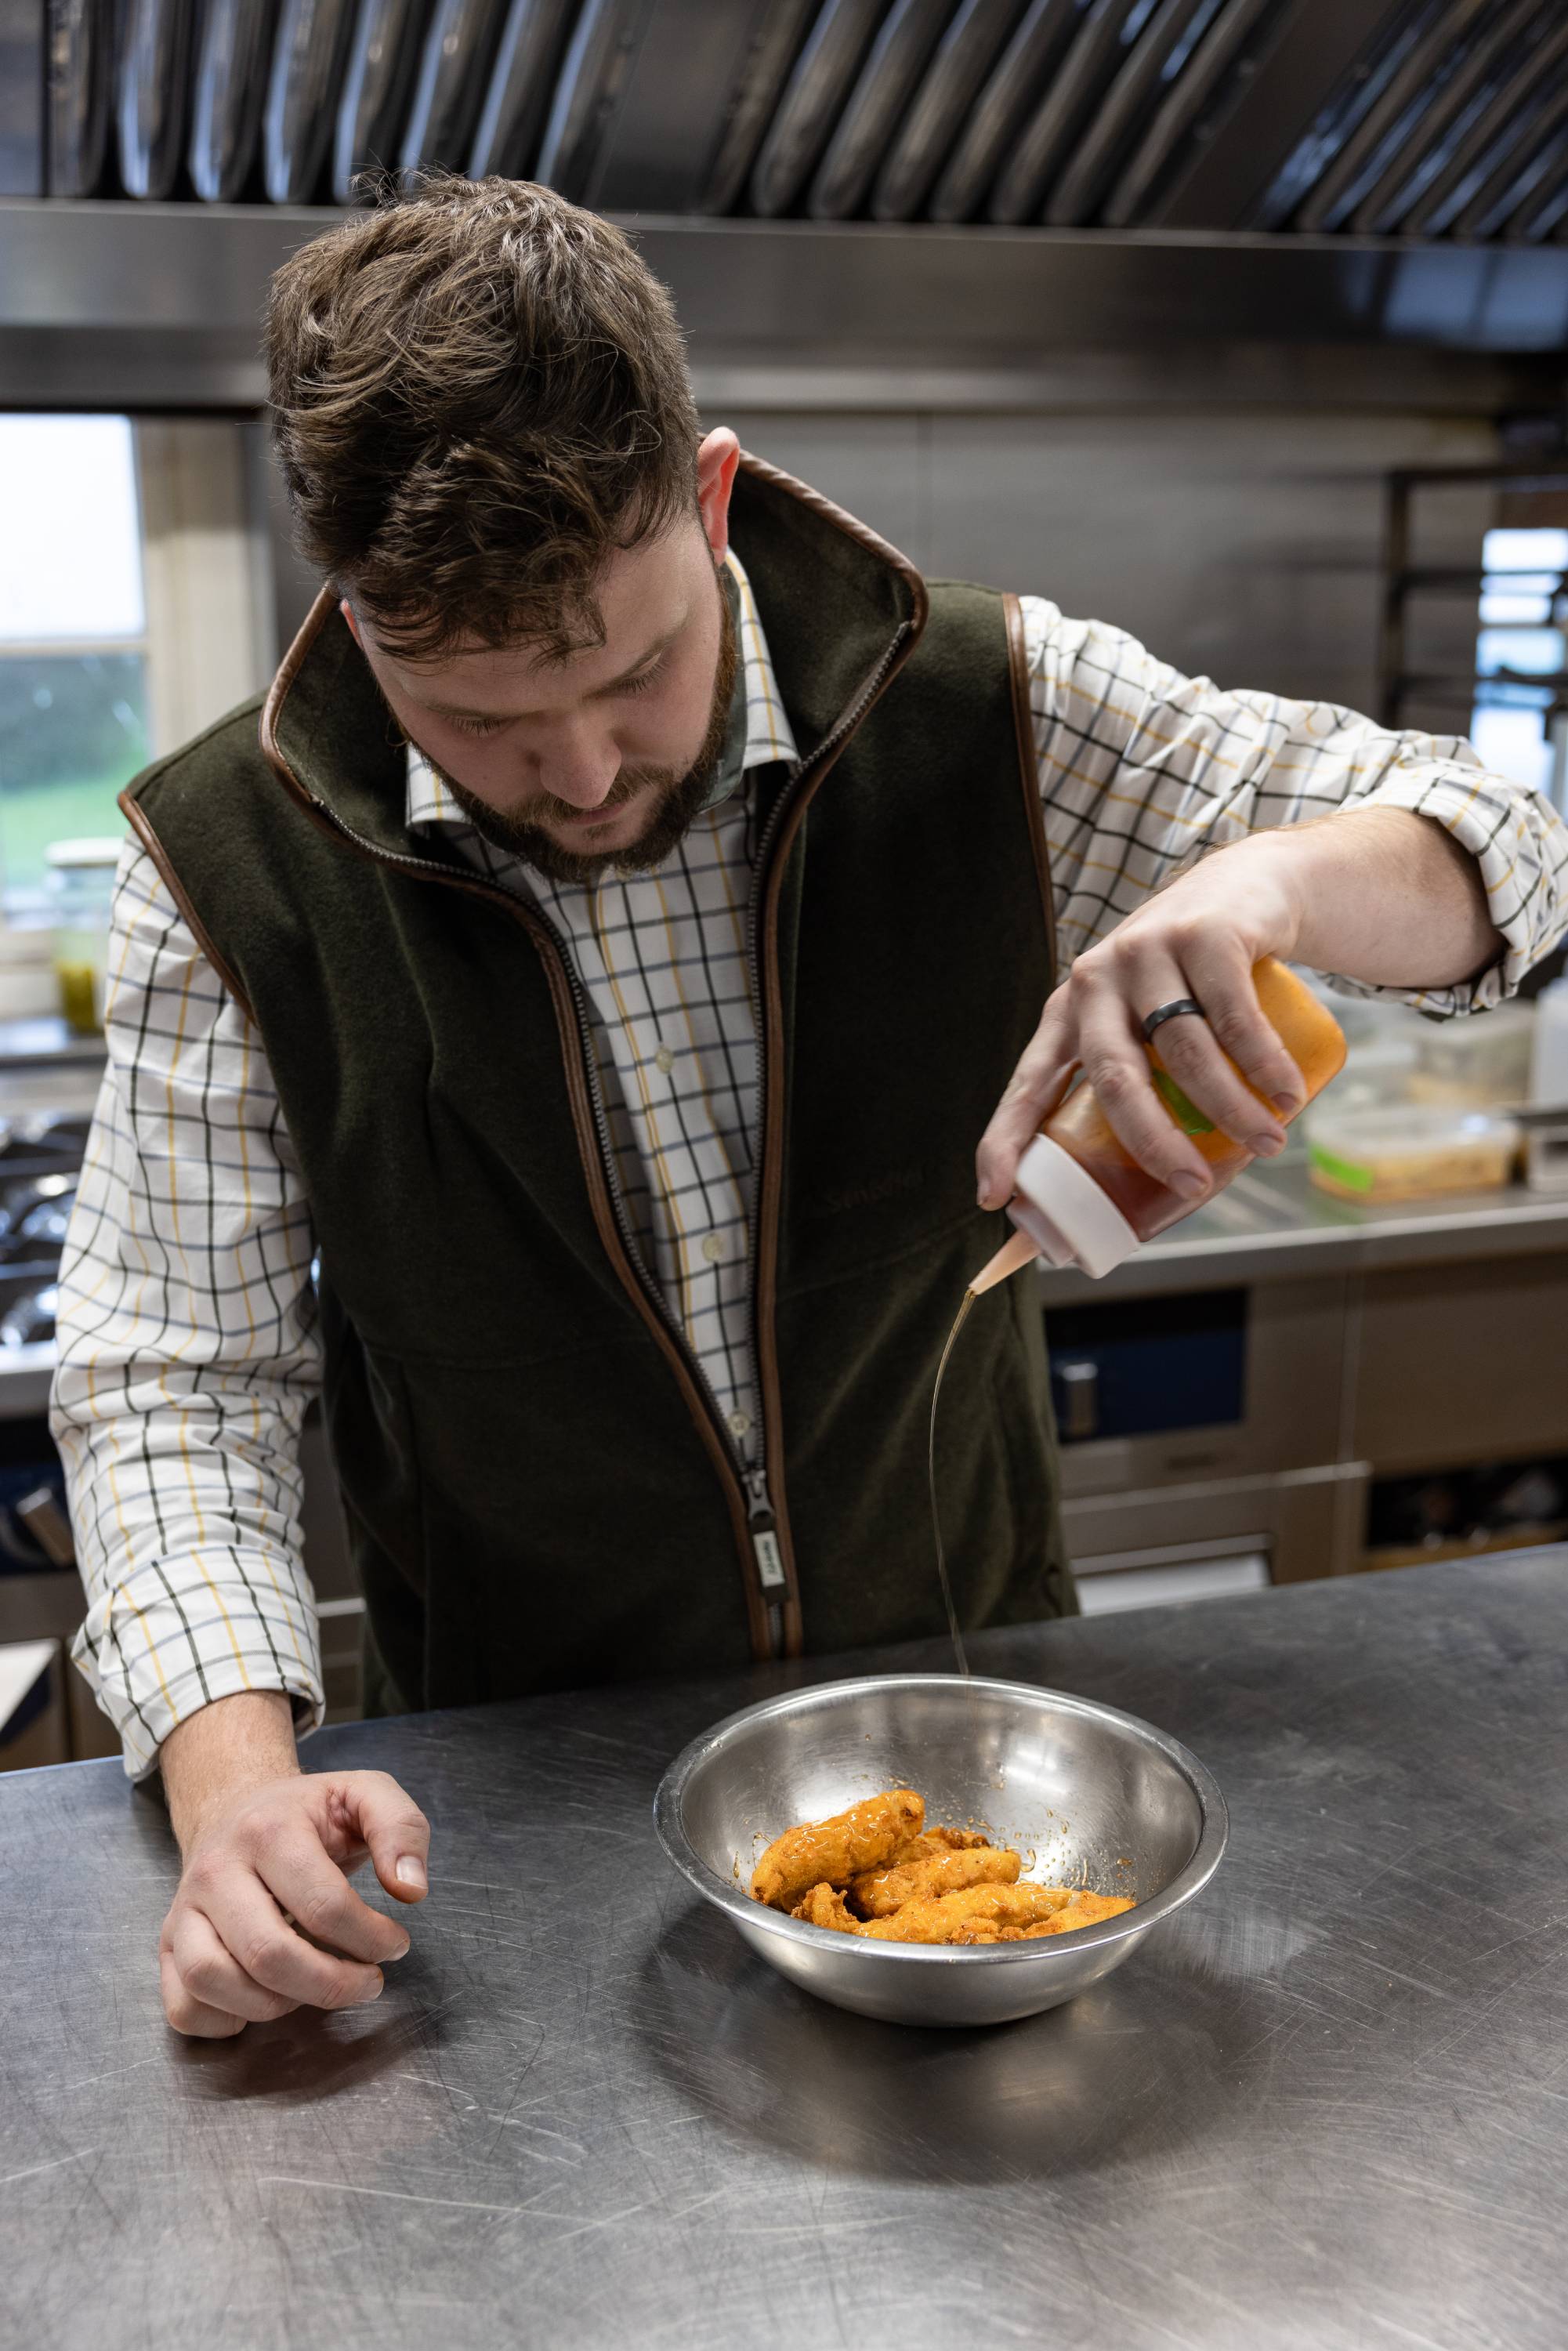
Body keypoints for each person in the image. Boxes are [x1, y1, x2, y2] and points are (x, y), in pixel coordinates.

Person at [52, 177, 1568, 2039]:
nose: (586, 772)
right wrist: (236, 1798)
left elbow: (1504, 847)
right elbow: (171, 1385)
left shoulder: (987, 706)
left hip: (979, 1729)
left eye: (632, 671)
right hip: (511, 1806)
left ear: (707, 499)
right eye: (484, 722)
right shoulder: (225, 872)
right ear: (352, 615)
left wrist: (1266, 891)